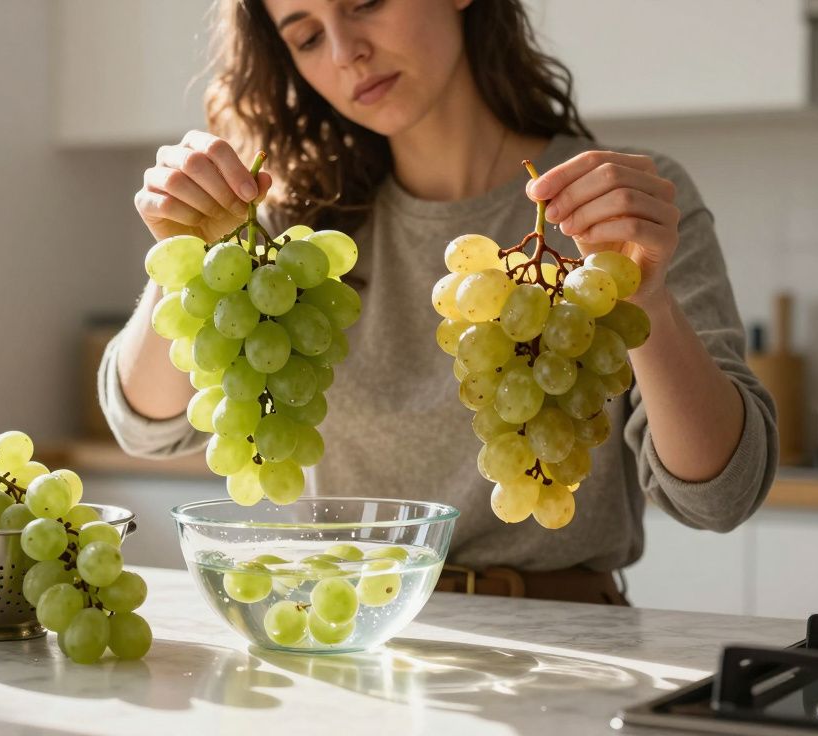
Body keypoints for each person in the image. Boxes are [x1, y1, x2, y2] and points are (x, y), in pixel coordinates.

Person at [98, 0, 778, 605]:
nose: (344, 52)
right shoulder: (294, 236)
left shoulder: (626, 207)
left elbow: (721, 497)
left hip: (566, 645)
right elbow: (147, 427)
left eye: (365, 3)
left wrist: (647, 302)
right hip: (349, 632)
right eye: (306, 37)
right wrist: (185, 260)